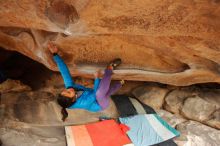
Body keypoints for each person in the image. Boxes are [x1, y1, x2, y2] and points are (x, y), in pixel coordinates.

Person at [48, 42, 124, 121]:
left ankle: (120, 83)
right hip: (100, 104)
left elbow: (64, 72)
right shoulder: (83, 103)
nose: (69, 89)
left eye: (65, 90)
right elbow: (95, 94)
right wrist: (97, 78)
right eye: (69, 93)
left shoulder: (70, 88)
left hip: (95, 95)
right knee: (100, 93)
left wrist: (55, 54)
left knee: (106, 92)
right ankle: (109, 69)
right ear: (73, 99)